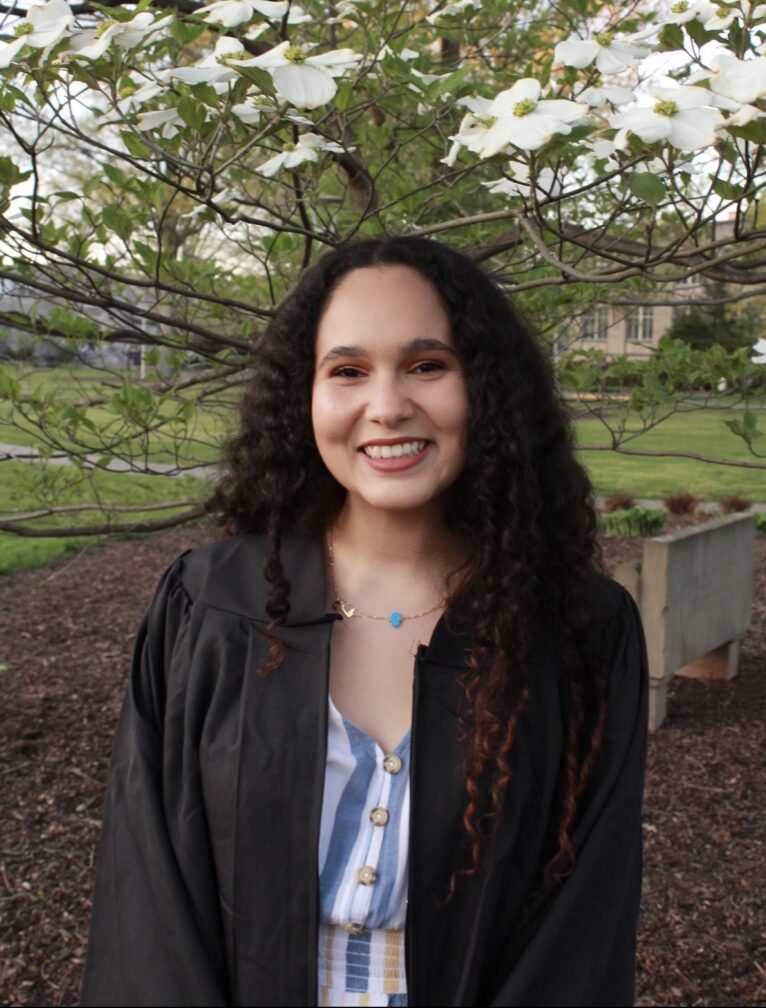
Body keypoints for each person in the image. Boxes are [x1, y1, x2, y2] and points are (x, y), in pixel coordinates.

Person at [81, 235, 648, 1008]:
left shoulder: (577, 632)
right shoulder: (210, 610)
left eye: (427, 365)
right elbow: (147, 903)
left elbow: (583, 930)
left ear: (484, 387)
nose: (386, 406)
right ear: (303, 397)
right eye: (347, 371)